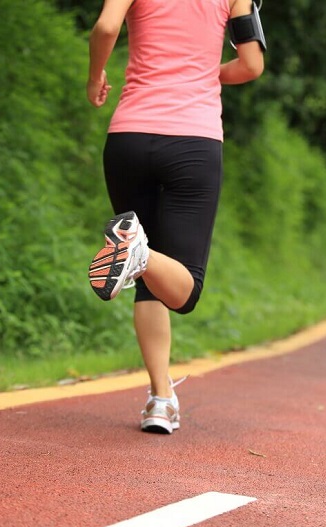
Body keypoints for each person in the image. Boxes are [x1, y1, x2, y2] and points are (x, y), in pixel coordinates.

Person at [85, 0, 265, 434]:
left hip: (128, 138)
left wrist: (95, 77)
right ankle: (139, 254)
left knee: (149, 285)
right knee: (185, 290)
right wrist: (205, 73)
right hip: (193, 143)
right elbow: (252, 66)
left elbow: (107, 27)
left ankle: (160, 400)